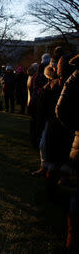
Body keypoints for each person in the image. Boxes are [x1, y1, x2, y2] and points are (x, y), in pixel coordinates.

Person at [56, 55, 79, 252]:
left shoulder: (75, 77)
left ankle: (73, 237)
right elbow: (61, 109)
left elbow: (61, 109)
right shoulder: (75, 77)